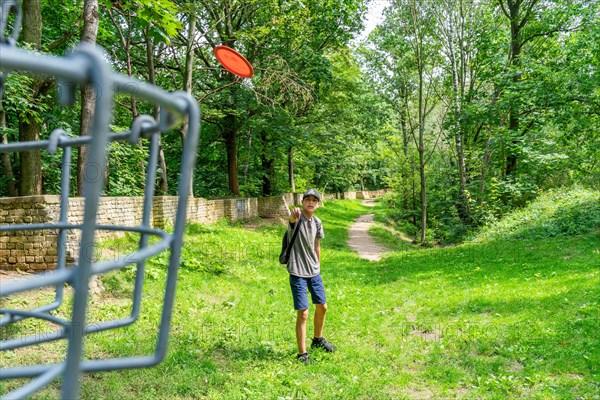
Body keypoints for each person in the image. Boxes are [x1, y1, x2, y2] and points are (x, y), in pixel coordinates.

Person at [287, 188, 336, 364]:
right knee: (304, 313)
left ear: (318, 204)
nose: (310, 202)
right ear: (302, 202)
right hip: (298, 271)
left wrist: (318, 265)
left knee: (322, 307)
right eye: (307, 199)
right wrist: (293, 217)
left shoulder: (317, 222)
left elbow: (316, 245)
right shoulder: (297, 218)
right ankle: (302, 354)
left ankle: (318, 339)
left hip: (313, 272)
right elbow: (292, 220)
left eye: (314, 200)